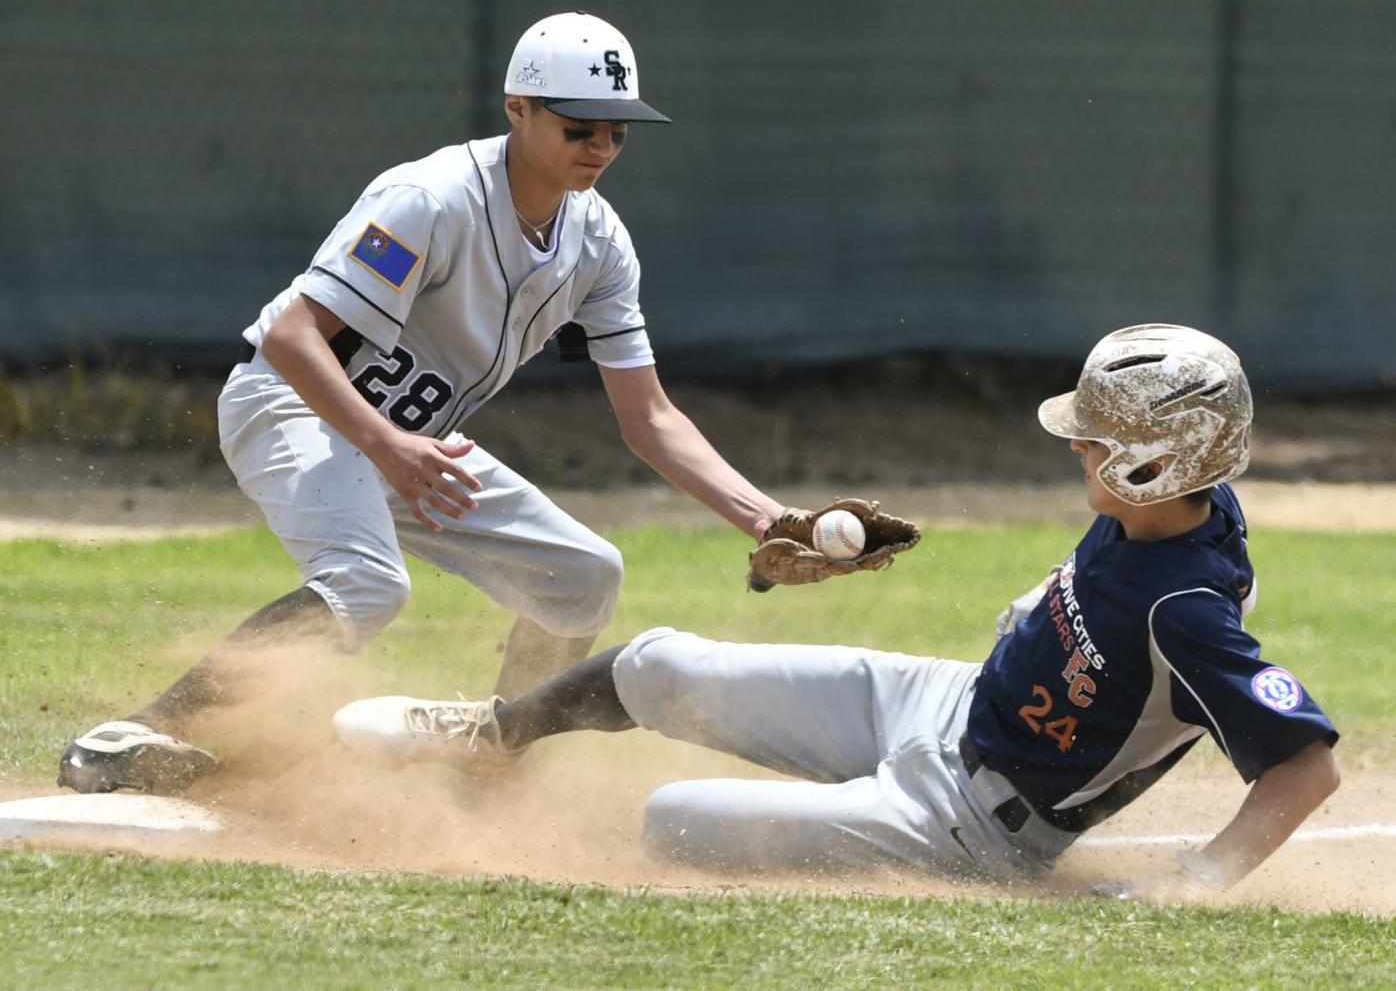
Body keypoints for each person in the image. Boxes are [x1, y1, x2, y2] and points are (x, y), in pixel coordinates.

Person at [58, 12, 787, 796]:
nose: (601, 147)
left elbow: (650, 419)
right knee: (369, 582)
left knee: (584, 578)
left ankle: (487, 768)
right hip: (293, 404)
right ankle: (133, 736)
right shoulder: (429, 200)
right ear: (518, 108)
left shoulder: (600, 243)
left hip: (408, 443)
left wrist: (768, 521)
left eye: (618, 131)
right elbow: (293, 338)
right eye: (580, 127)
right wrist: (384, 445)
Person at [333, 324, 1341, 889]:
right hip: (944, 703)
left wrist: (1205, 873)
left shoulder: (1191, 611)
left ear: (1160, 457)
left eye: (1098, 436)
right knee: (658, 663)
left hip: (971, 822)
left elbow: (1305, 763)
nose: (1079, 446)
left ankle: (492, 851)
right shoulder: (1173, 509)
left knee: (675, 820)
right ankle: (492, 731)